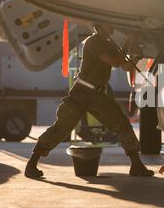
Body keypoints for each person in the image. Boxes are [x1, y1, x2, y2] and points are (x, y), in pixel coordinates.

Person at [25, 27, 154, 178]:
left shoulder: (108, 43)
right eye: (107, 23)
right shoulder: (94, 41)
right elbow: (115, 61)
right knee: (61, 127)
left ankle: (136, 165)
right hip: (82, 92)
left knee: (122, 123)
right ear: (99, 26)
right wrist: (130, 44)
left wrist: (135, 56)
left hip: (97, 94)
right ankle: (32, 164)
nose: (111, 25)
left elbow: (125, 65)